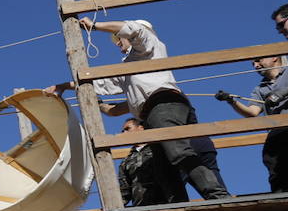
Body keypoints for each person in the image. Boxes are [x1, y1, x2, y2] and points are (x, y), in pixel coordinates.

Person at [46, 17, 229, 200]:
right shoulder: (128, 68)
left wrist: (95, 26)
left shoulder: (148, 45)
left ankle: (217, 195)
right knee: (164, 167)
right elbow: (104, 92)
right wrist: (65, 87)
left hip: (163, 105)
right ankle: (181, 205)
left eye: (119, 37)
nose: (118, 42)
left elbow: (134, 30)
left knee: (178, 152)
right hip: (155, 112)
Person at [217, 54, 288, 191]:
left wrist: (284, 92)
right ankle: (281, 198)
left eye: (258, 61)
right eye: (253, 64)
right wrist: (231, 101)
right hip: (279, 131)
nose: (256, 66)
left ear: (274, 57)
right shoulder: (260, 88)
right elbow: (252, 112)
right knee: (275, 167)